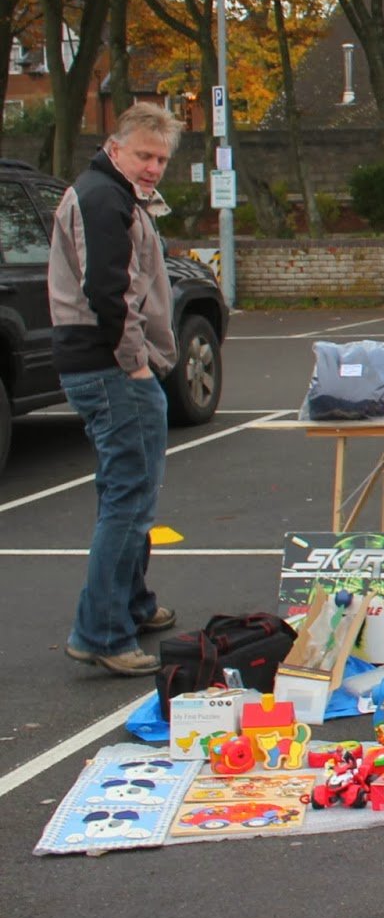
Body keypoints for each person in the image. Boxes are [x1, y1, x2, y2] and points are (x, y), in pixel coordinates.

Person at [49, 102, 182, 676]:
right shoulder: (105, 198)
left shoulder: (116, 194)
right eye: (144, 155)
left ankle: (132, 604)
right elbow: (108, 291)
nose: (153, 167)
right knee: (129, 500)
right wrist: (135, 364)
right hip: (111, 369)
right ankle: (101, 633)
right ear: (115, 146)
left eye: (161, 159)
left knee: (126, 493)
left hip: (105, 365)